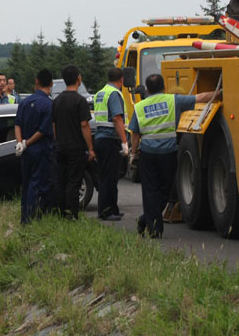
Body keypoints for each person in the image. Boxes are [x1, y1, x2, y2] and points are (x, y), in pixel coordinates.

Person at [129, 74, 218, 238]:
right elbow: (199, 98)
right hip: (168, 154)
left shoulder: (140, 107)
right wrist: (219, 92)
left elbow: (135, 133)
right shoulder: (173, 100)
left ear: (147, 90)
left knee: (150, 190)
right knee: (166, 190)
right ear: (164, 87)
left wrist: (133, 154)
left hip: (147, 154)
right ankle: (155, 228)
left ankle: (146, 220)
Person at [52, 65, 95, 219]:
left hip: (60, 146)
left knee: (61, 180)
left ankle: (60, 212)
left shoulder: (56, 100)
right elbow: (84, 125)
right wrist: (90, 148)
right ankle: (72, 213)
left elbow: (54, 125)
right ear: (78, 79)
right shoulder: (80, 101)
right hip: (76, 147)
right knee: (74, 181)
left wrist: (57, 141)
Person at [14, 69, 55, 224]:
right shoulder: (48, 105)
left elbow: (17, 124)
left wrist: (20, 143)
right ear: (51, 84)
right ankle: (32, 219)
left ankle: (24, 217)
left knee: (26, 183)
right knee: (38, 185)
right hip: (41, 150)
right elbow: (43, 131)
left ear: (36, 82)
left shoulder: (24, 102)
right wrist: (27, 142)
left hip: (26, 152)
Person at [93, 68, 129, 221]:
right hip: (110, 139)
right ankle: (106, 211)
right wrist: (124, 142)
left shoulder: (100, 93)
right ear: (121, 79)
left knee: (108, 176)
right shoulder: (114, 94)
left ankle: (113, 209)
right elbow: (117, 119)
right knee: (109, 177)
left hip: (100, 138)